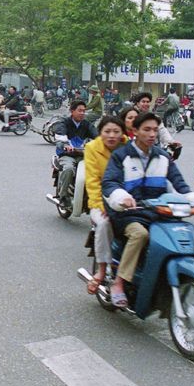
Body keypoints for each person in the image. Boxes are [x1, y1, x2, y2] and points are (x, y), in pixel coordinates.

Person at [102, 112, 194, 307]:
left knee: (181, 235)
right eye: (146, 129)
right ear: (135, 131)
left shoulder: (163, 157)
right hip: (128, 214)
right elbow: (109, 183)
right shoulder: (121, 155)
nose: (151, 134)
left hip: (157, 212)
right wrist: (122, 197)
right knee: (140, 235)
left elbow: (180, 183)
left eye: (155, 130)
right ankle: (119, 283)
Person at [84, 115, 128, 293]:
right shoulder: (92, 148)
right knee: (103, 223)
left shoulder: (129, 147)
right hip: (101, 201)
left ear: (122, 133)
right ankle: (101, 270)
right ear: (100, 133)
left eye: (116, 132)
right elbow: (93, 181)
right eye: (107, 131)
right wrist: (101, 206)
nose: (111, 136)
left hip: (125, 200)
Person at [47, 100, 98, 210]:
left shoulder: (87, 124)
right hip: (67, 155)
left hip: (82, 154)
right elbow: (60, 132)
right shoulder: (64, 122)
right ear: (72, 111)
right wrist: (65, 144)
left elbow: (97, 135)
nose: (82, 113)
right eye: (79, 110)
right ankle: (63, 196)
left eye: (84, 111)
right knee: (69, 169)